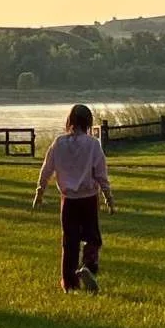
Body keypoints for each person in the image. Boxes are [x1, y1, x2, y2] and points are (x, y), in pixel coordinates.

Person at [32, 103, 115, 292]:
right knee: (93, 238)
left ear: (69, 121)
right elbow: (101, 173)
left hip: (68, 200)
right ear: (88, 122)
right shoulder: (93, 144)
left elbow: (46, 170)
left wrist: (40, 192)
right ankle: (88, 266)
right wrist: (108, 197)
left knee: (69, 242)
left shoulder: (59, 143)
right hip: (88, 198)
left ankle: (69, 283)